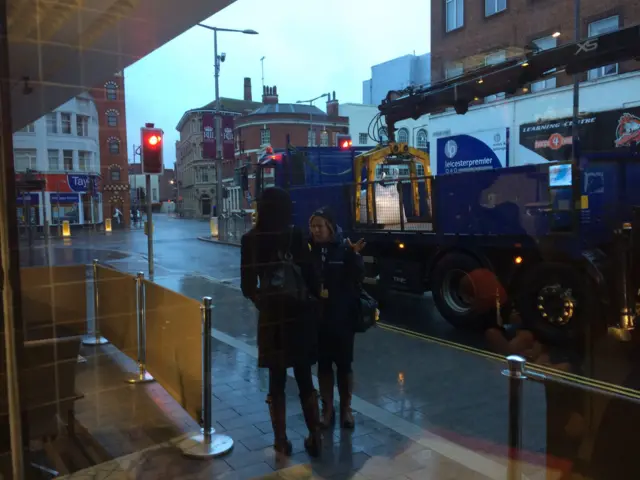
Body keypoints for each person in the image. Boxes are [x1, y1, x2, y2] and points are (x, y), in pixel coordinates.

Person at [240, 187, 322, 457]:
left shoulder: (250, 239)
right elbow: (312, 276)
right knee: (303, 377)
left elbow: (247, 286)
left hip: (272, 320)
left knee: (276, 380)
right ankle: (314, 436)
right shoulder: (296, 235)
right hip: (299, 316)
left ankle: (280, 440)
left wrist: (265, 302)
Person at [309, 207, 365, 430]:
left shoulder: (343, 248)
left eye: (319, 226)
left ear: (330, 227)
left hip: (341, 318)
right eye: (313, 226)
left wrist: (355, 257)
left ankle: (346, 410)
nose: (315, 230)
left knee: (344, 366)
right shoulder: (308, 249)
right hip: (318, 319)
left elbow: (358, 278)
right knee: (323, 366)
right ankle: (327, 410)